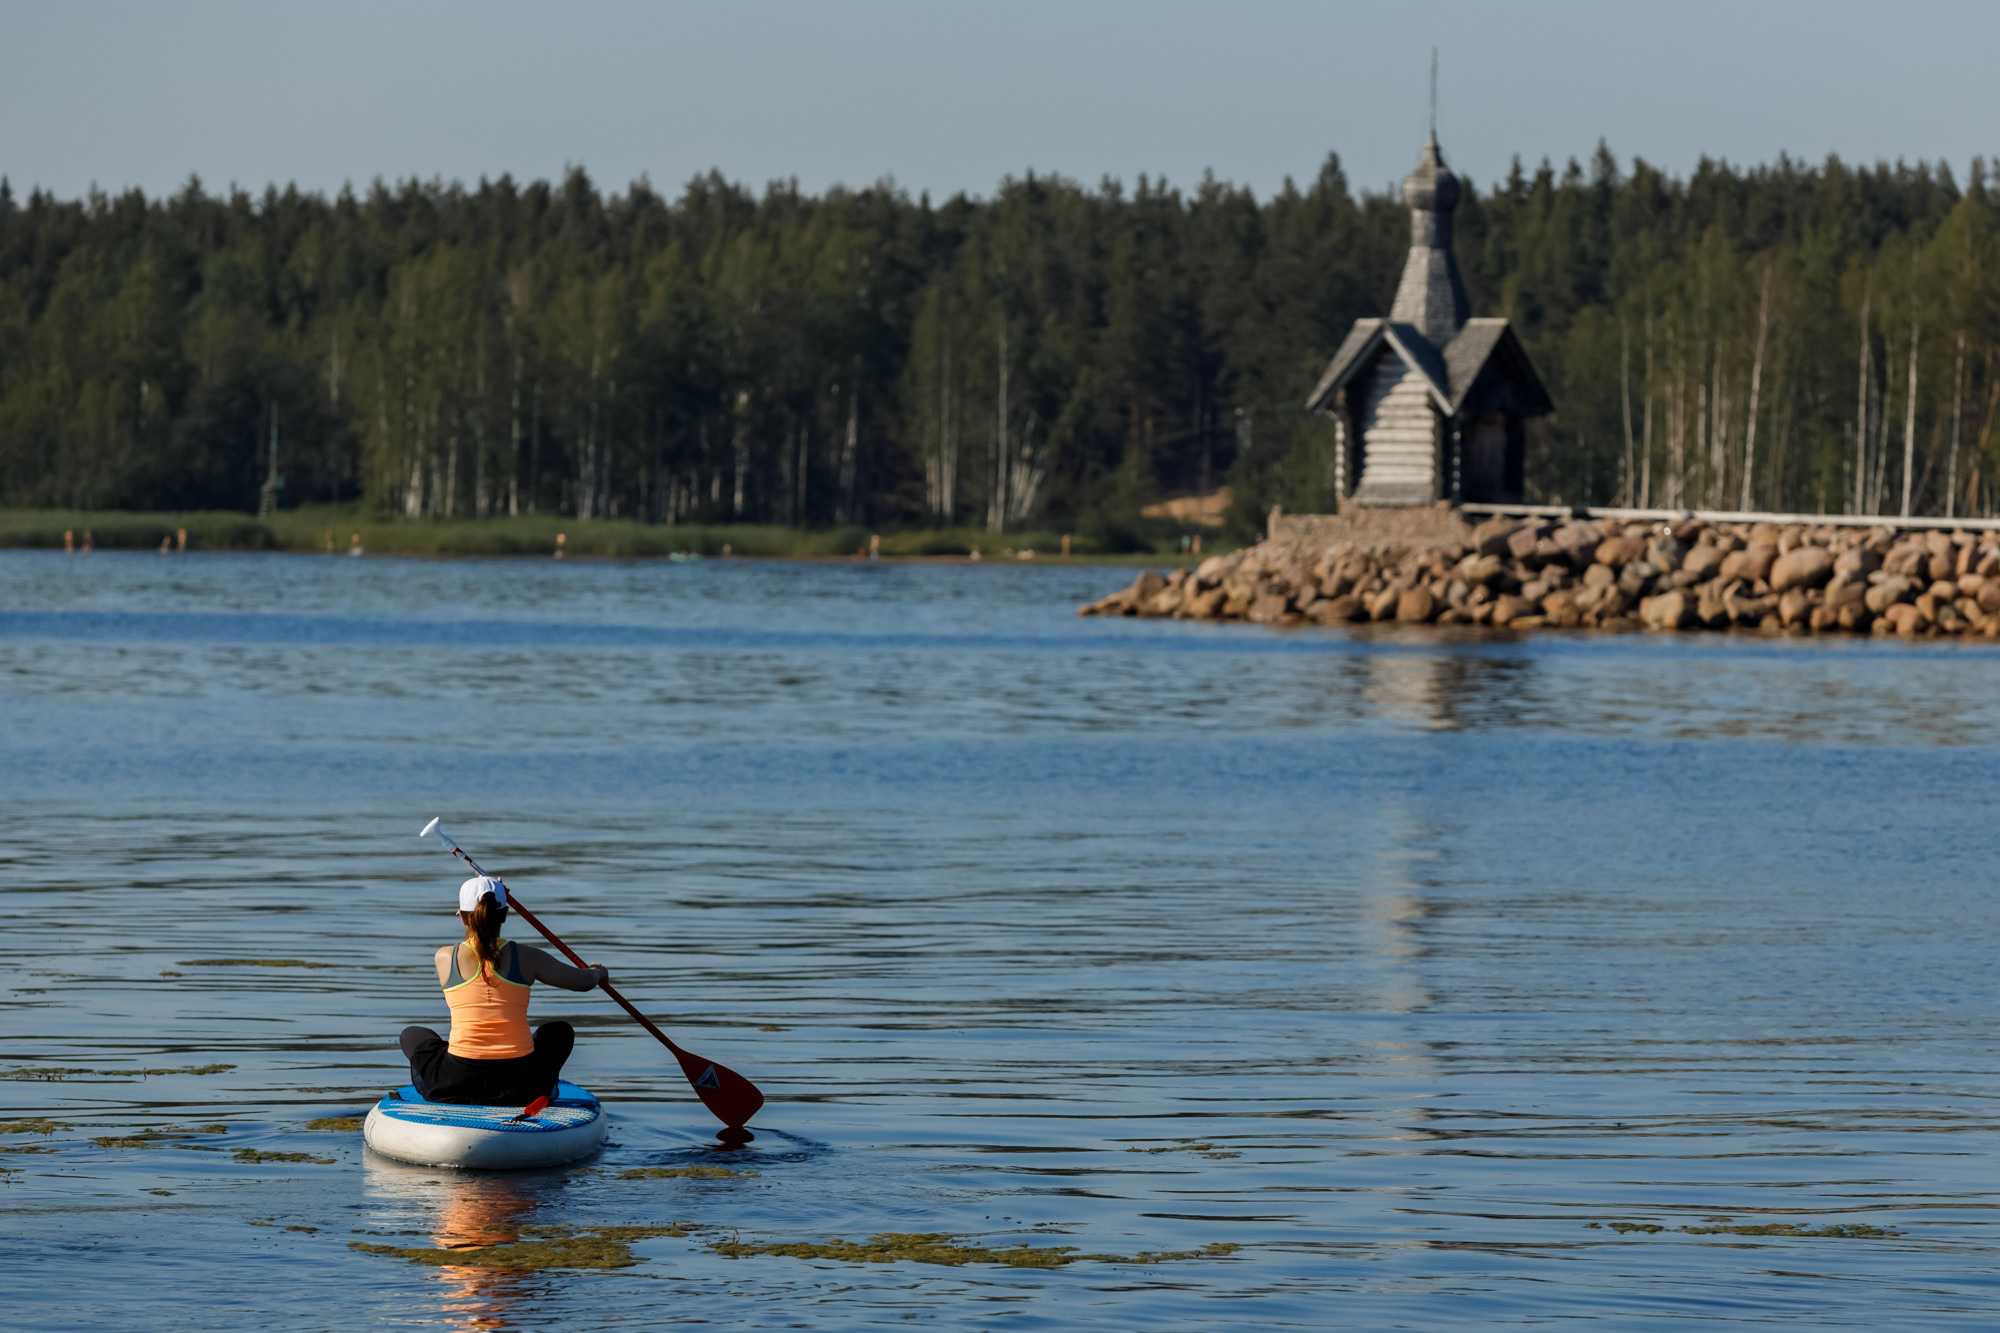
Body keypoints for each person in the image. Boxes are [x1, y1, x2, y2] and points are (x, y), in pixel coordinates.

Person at [398, 876, 609, 1105]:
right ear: (505, 914)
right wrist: (597, 971)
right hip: (520, 1083)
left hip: (457, 1080)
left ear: (461, 916)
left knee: (411, 1034)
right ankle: (541, 1086)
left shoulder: (444, 957)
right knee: (559, 1032)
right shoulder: (528, 957)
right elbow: (584, 982)